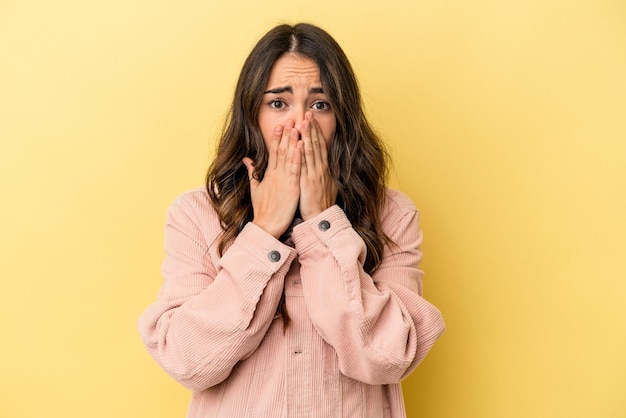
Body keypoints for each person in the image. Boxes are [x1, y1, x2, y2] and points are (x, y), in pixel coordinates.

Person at [138, 23, 445, 418]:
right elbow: (188, 360)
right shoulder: (197, 214)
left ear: (342, 118)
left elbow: (386, 357)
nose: (301, 125)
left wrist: (323, 222)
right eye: (278, 103)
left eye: (320, 105)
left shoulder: (391, 214)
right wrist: (263, 233)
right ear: (252, 113)